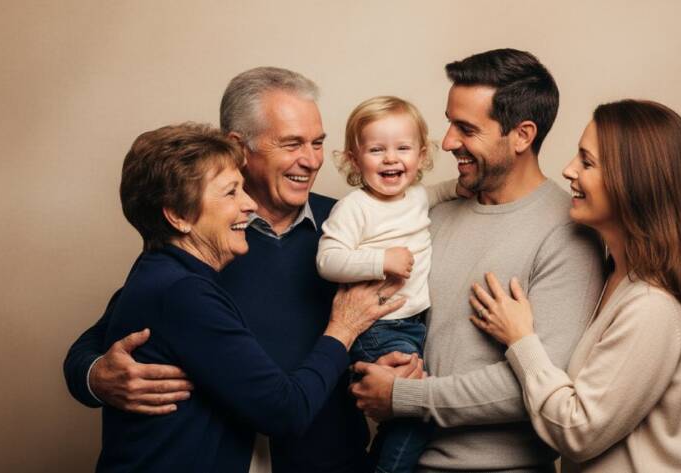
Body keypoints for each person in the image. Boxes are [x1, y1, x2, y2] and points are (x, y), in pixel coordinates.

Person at [64, 67, 418, 472]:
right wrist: (95, 377)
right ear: (239, 146)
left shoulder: (348, 226)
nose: (312, 159)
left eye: (317, 142)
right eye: (292, 143)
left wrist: (399, 364)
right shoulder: (202, 242)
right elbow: (107, 335)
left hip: (332, 459)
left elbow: (373, 329)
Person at [350, 49, 605, 472]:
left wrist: (402, 397)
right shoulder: (432, 212)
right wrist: (382, 363)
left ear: (522, 135)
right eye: (449, 122)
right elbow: (396, 320)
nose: (447, 141)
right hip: (398, 459)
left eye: (466, 128)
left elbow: (539, 382)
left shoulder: (568, 233)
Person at [468, 99, 681, 472]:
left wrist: (520, 340)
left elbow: (578, 429)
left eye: (587, 162)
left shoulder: (653, 306)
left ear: (635, 183)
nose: (569, 170)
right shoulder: (616, 276)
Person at [316, 96, 465, 472]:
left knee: (400, 414)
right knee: (416, 412)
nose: (390, 159)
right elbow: (327, 260)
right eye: (376, 150)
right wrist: (381, 262)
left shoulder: (416, 197)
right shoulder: (355, 207)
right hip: (378, 328)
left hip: (413, 324)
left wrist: (464, 188)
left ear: (421, 155)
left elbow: (443, 191)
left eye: (403, 148)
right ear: (353, 159)